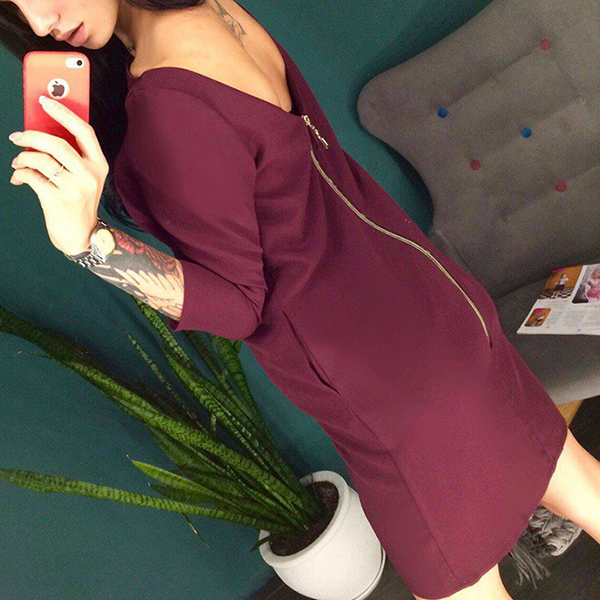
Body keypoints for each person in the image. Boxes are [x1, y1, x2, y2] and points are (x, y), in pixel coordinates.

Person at [2, 2, 599, 599]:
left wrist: (90, 244)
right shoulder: (217, 11)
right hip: (440, 306)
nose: (41, 21)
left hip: (389, 387)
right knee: (580, 485)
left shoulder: (168, 105)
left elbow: (239, 306)